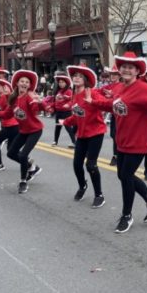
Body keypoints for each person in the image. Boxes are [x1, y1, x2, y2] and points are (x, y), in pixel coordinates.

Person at [84, 52, 147, 234]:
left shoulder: (143, 88)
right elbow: (112, 105)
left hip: (138, 142)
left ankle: (127, 215)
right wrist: (93, 102)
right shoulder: (119, 88)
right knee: (123, 176)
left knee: (125, 176)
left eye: (130, 67)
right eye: (123, 66)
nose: (126, 69)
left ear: (137, 71)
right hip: (122, 141)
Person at [0, 70, 44, 194]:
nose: (24, 83)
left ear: (29, 85)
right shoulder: (14, 99)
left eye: (27, 82)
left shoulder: (29, 97)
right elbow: (6, 114)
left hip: (35, 131)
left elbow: (35, 110)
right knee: (11, 153)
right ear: (17, 83)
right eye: (22, 81)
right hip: (23, 131)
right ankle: (32, 167)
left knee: (22, 155)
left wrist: (38, 102)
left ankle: (23, 181)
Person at [62, 65, 107, 207]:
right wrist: (66, 121)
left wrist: (93, 101)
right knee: (76, 164)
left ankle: (99, 195)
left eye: (80, 76)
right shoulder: (74, 95)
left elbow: (105, 104)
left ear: (85, 80)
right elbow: (77, 116)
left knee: (91, 164)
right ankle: (82, 186)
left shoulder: (91, 92)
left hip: (96, 133)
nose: (76, 78)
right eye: (74, 75)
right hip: (81, 134)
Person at [50, 73, 77, 148]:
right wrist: (50, 106)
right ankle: (55, 141)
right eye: (59, 82)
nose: (61, 84)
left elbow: (72, 100)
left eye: (62, 82)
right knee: (58, 127)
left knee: (67, 127)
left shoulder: (69, 91)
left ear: (66, 83)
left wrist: (68, 104)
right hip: (59, 112)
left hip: (66, 112)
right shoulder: (58, 91)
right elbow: (55, 102)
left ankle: (74, 142)